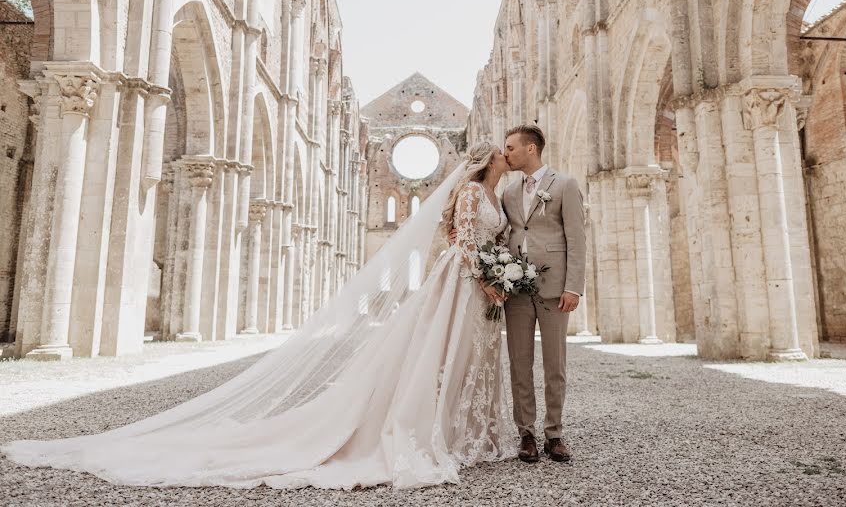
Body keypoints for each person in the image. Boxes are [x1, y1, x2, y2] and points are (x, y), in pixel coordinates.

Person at [2, 142, 518, 490]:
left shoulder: (494, 193)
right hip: (466, 280)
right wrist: (492, 280)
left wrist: (497, 276)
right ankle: (425, 431)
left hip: (472, 283)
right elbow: (465, 242)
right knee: (438, 353)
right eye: (502, 150)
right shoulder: (472, 191)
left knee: (454, 355)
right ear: (486, 161)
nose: (506, 154)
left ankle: (459, 430)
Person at [501, 124, 586, 463]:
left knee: (555, 363)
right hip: (517, 290)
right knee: (519, 363)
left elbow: (577, 239)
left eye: (510, 147)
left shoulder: (564, 185)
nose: (505, 153)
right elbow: (509, 233)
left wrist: (573, 287)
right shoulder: (508, 193)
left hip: (555, 290)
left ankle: (555, 433)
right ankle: (526, 434)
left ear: (530, 148)